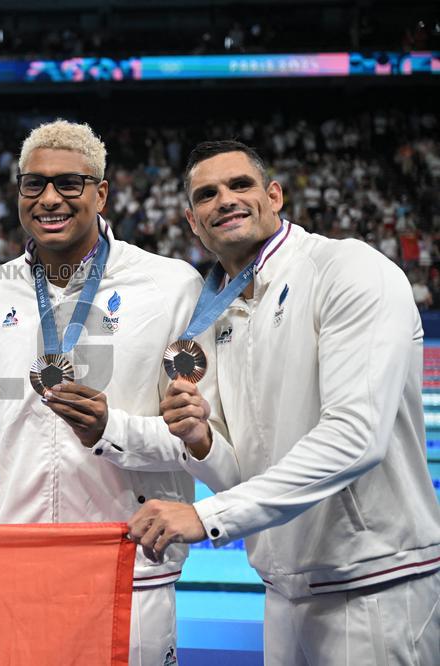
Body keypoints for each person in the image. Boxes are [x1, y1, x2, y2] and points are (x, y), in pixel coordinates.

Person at [128, 140, 440, 664]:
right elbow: (247, 477)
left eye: (240, 185)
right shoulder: (216, 317)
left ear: (274, 196)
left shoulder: (346, 268)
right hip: (282, 590)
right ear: (191, 222)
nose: (224, 199)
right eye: (207, 194)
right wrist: (205, 441)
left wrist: (206, 518)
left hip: (375, 585)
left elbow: (355, 437)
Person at [0, 120, 222, 664]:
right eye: (33, 184)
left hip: (128, 556)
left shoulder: (169, 284)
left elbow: (203, 436)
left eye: (69, 183)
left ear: (101, 192)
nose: (50, 198)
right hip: (20, 555)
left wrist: (113, 431)